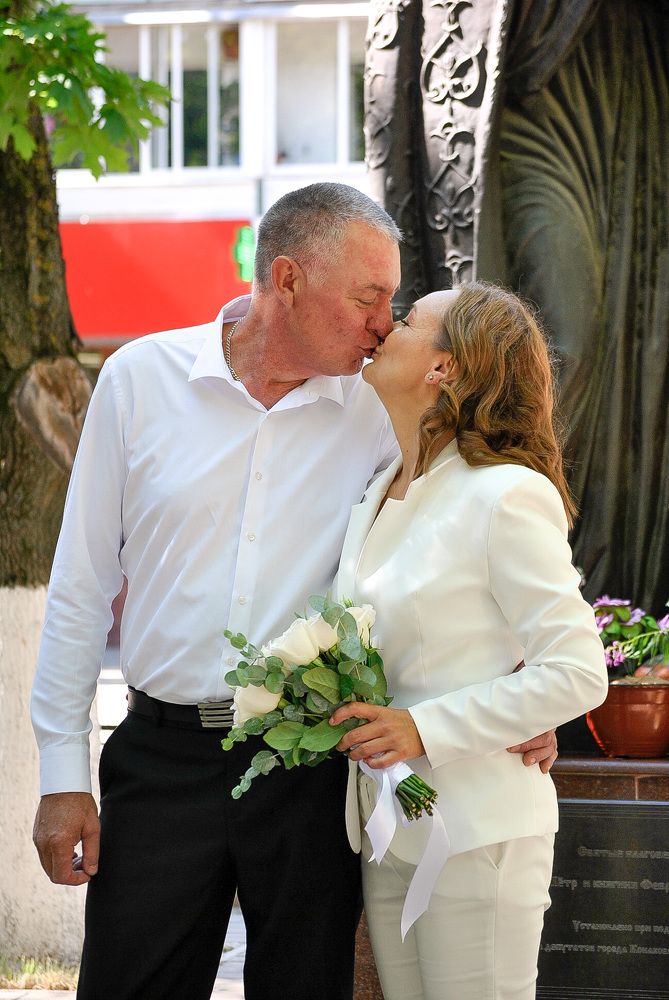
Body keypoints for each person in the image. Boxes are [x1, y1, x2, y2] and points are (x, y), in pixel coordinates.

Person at [31, 186, 557, 1000]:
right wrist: (61, 773)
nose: (383, 323)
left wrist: (519, 677)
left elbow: (458, 537)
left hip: (312, 771)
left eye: (392, 302)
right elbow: (80, 585)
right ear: (286, 280)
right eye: (367, 298)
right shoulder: (139, 380)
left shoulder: (381, 406)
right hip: (160, 761)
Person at [331, 282, 608, 1000]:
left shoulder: (504, 493)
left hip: (479, 831)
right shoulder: (379, 490)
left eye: (407, 320)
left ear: (443, 367)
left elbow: (578, 671)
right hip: (388, 826)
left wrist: (422, 728)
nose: (386, 327)